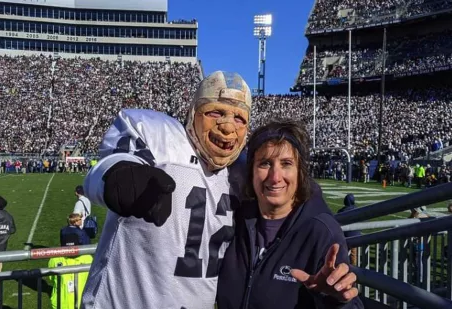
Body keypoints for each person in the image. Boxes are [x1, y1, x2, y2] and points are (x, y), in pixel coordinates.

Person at [82, 71, 251, 308]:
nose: (227, 127)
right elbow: (104, 170)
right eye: (216, 112)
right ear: (194, 112)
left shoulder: (244, 173)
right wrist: (118, 176)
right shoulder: (161, 139)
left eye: (240, 118)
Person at [216, 119, 362, 309]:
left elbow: (349, 302)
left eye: (286, 163)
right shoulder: (237, 219)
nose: (275, 177)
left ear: (300, 172)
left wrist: (335, 300)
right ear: (250, 171)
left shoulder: (320, 230)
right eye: (265, 163)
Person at [48, 224, 93, 309]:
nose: (71, 251)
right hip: (62, 304)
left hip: (79, 303)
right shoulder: (55, 259)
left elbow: (52, 278)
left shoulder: (88, 258)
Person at [338, 194, 361, 266]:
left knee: (343, 253)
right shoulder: (358, 210)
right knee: (354, 254)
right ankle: (353, 268)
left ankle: (343, 266)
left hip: (344, 236)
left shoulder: (341, 211)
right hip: (356, 235)